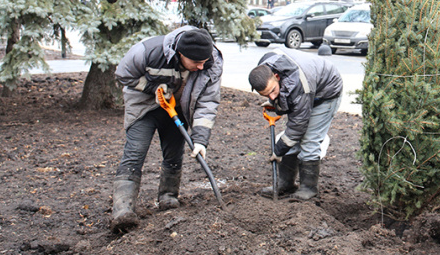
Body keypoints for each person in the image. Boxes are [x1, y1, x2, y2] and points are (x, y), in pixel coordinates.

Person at [110, 26, 223, 233]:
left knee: (174, 152)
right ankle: (122, 210)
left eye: (203, 62)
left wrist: (200, 139)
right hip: (144, 106)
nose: (200, 66)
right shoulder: (148, 52)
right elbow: (124, 75)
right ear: (180, 54)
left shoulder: (211, 63)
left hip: (177, 107)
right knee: (135, 152)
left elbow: (207, 102)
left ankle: (168, 196)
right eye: (195, 63)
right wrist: (153, 88)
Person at [248, 49, 342, 200]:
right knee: (293, 139)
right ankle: (286, 184)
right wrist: (276, 102)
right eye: (266, 95)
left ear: (277, 77)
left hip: (325, 94)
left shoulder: (300, 84)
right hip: (304, 92)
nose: (271, 97)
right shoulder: (265, 68)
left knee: (308, 140)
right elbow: (285, 95)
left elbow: (297, 127)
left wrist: (278, 150)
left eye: (273, 91)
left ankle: (308, 188)